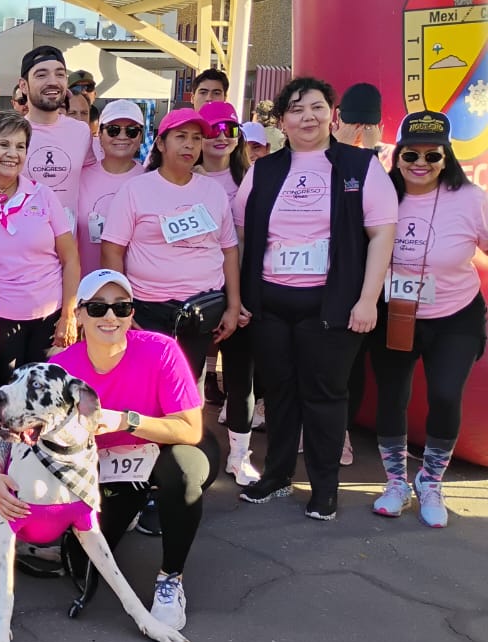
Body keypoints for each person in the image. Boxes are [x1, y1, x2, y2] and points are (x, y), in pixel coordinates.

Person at [234, 77, 398, 520]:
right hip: (271, 302)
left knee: (325, 395)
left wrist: (368, 300)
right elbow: (244, 233)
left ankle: (325, 487)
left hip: (333, 304)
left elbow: (382, 233)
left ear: (333, 114)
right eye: (296, 109)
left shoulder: (359, 166)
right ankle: (276, 475)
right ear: (282, 121)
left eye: (317, 107)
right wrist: (242, 296)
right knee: (280, 393)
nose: (308, 117)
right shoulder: (264, 170)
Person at [27, 269, 214, 632]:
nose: (109, 316)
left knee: (184, 472)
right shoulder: (61, 368)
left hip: (165, 449)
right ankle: (123, 510)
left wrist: (123, 421)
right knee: (79, 563)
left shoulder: (161, 350)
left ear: (131, 314)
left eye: (120, 307)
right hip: (102, 467)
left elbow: (190, 429)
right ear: (78, 315)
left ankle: (170, 578)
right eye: (97, 308)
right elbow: (20, 430)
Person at [100, 106, 242, 454]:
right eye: (181, 137)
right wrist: (122, 309)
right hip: (148, 310)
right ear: (161, 143)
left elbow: (228, 251)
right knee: (147, 388)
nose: (189, 145)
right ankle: (141, 461)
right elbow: (112, 250)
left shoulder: (213, 193)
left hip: (200, 312)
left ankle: (176, 460)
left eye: (196, 138)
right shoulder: (136, 191)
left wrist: (234, 305)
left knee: (185, 387)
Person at [370, 111, 486, 528]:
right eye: (410, 155)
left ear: (446, 157)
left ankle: (431, 480)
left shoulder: (471, 199)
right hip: (393, 312)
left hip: (455, 315)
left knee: (444, 395)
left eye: (432, 156)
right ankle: (396, 482)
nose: (420, 164)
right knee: (393, 396)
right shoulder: (380, 194)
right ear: (397, 156)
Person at [0, 111, 80, 420]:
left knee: (44, 404)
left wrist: (69, 314)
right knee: (3, 406)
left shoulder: (43, 195)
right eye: (4, 145)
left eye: (21, 146)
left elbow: (71, 258)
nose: (13, 154)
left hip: (49, 320)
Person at [194, 101, 261, 486]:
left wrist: (244, 299)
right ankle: (193, 448)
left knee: (240, 378)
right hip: (194, 293)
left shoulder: (252, 179)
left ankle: (239, 455)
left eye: (230, 129)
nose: (221, 137)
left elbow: (254, 243)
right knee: (191, 377)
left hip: (241, 293)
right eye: (212, 128)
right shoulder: (179, 176)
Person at [17, 46, 95, 220]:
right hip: (21, 242)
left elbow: (92, 179)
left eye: (60, 74)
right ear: (23, 85)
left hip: (68, 244)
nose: (52, 81)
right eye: (41, 75)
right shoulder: (9, 133)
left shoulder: (81, 131)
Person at [75, 100, 146, 276]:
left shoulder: (151, 180)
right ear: (99, 134)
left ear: (141, 137)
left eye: (131, 131)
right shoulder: (78, 177)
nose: (122, 137)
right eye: (113, 130)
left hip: (135, 292)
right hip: (85, 286)